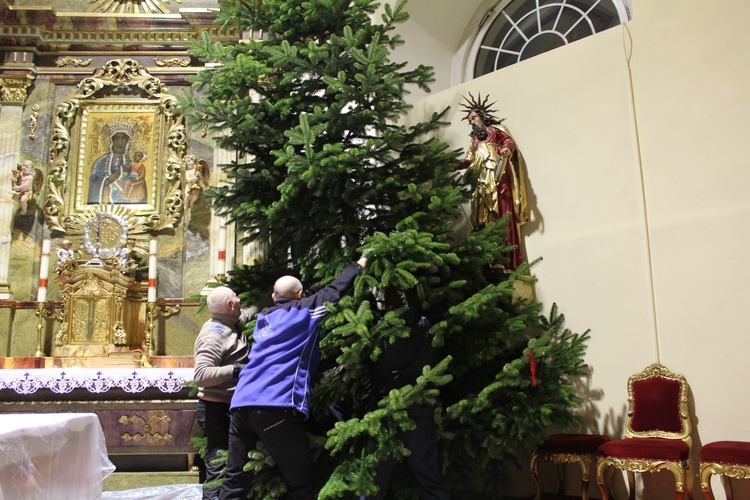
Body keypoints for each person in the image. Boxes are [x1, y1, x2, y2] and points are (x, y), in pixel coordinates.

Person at [219, 257, 367, 500]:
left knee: (234, 481)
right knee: (301, 483)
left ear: (274, 297)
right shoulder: (306, 311)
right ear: (299, 296)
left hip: (241, 404)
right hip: (277, 406)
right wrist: (359, 265)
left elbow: (291, 302)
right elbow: (337, 289)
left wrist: (304, 295)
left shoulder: (264, 319)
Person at [369, 288, 450, 500]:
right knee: (429, 473)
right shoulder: (426, 324)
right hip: (420, 406)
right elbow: (443, 306)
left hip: (388, 408)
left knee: (377, 477)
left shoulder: (380, 331)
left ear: (387, 308)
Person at [458, 93, 529, 270]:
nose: (472, 122)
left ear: (482, 116)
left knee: (502, 210)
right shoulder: (474, 141)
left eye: (474, 117)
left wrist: (506, 149)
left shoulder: (496, 129)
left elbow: (508, 141)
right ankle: (489, 256)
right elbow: (468, 160)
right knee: (483, 214)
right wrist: (453, 164)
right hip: (481, 179)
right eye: (470, 120)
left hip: (497, 175)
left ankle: (503, 257)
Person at [194, 286, 252, 500]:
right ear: (230, 305)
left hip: (226, 406)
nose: (240, 300)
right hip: (216, 409)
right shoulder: (215, 335)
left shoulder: (230, 321)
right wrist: (238, 370)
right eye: (236, 297)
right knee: (218, 464)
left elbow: (249, 311)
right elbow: (201, 374)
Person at [88, 128, 132, 204]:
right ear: (111, 141)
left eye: (124, 138)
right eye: (116, 138)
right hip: (104, 199)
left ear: (128, 141)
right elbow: (93, 182)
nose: (120, 142)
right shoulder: (100, 161)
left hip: (124, 202)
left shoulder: (131, 162)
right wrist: (106, 180)